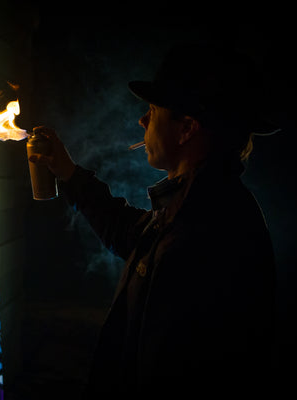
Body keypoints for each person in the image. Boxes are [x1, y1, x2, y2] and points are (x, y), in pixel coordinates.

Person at [28, 43, 277, 395]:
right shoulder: (200, 202)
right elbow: (132, 234)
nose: (142, 120)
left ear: (186, 128)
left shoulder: (206, 226)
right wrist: (68, 173)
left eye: (153, 110)